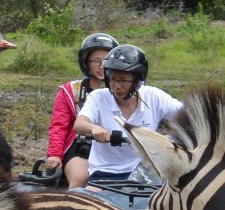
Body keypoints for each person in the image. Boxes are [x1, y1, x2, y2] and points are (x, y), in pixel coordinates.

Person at [73, 44, 180, 185]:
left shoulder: (154, 97)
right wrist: (94, 128)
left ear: (137, 80)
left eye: (123, 80)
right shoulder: (98, 97)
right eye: (112, 79)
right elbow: (79, 124)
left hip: (145, 173)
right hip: (106, 173)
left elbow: (187, 115)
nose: (117, 86)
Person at [45, 32, 116, 190]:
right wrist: (55, 153)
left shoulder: (123, 89)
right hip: (81, 148)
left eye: (106, 61)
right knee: (81, 178)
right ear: (86, 63)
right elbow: (59, 125)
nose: (101, 66)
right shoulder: (70, 90)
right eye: (96, 61)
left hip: (115, 146)